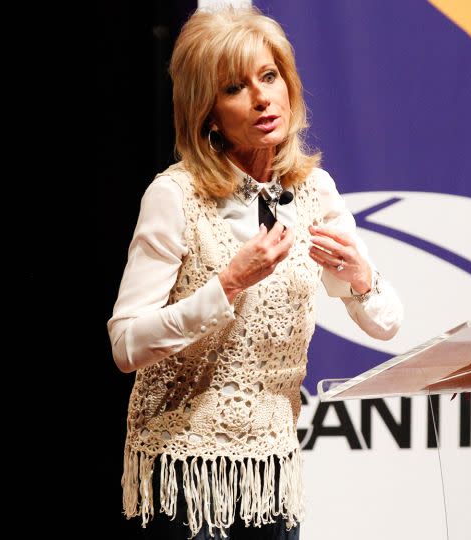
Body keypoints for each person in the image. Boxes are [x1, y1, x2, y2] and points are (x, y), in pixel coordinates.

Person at [107, 6, 403, 539]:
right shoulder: (175, 198)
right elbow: (126, 345)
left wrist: (361, 275)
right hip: (186, 480)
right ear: (208, 114)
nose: (262, 98)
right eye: (235, 88)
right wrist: (228, 284)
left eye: (270, 77)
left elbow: (385, 324)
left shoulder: (315, 190)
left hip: (272, 475)